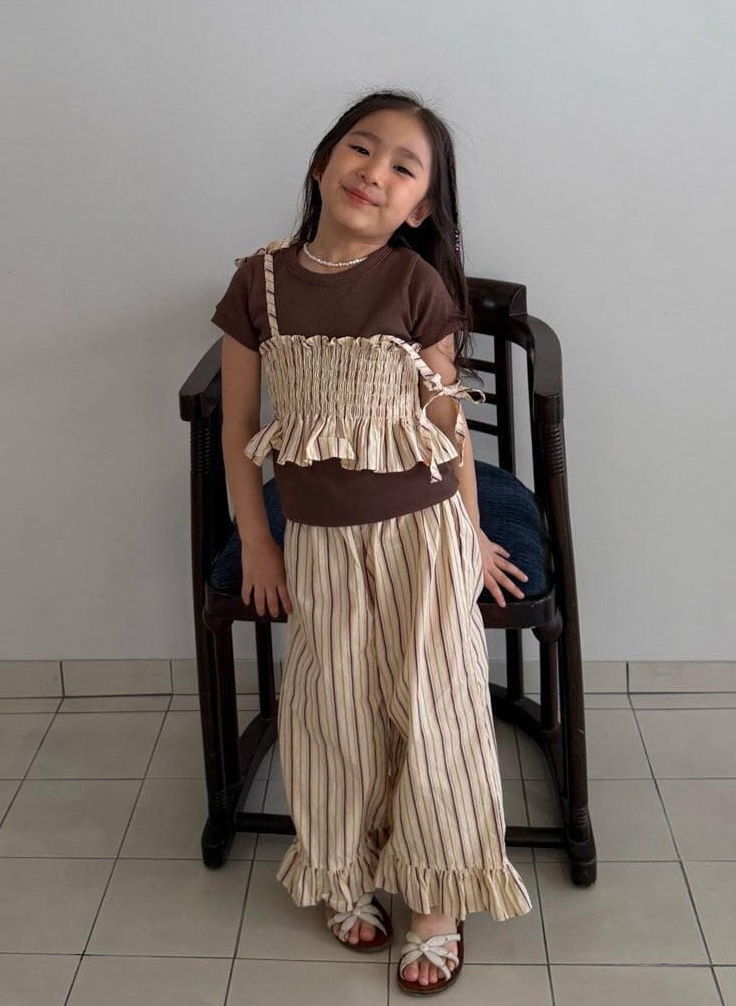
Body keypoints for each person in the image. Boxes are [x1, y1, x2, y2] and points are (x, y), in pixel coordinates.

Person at [210, 90, 534, 995]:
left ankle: (434, 899)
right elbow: (239, 427)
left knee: (435, 711)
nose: (374, 172)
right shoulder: (259, 283)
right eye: (361, 148)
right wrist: (257, 542)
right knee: (334, 712)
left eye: (403, 167)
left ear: (420, 207)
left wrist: (471, 533)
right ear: (322, 162)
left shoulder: (413, 286)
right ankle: (343, 867)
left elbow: (447, 427)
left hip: (421, 536)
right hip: (318, 541)